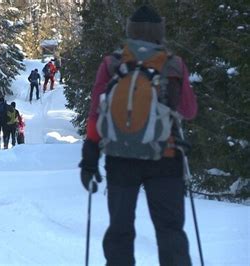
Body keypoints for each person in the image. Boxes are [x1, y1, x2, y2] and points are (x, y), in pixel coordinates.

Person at [78, 5, 197, 266]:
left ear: (130, 30)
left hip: (120, 157)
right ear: (160, 32)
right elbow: (188, 111)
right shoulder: (173, 64)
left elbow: (96, 113)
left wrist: (89, 157)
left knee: (120, 231)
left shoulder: (112, 63)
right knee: (170, 232)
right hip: (165, 157)